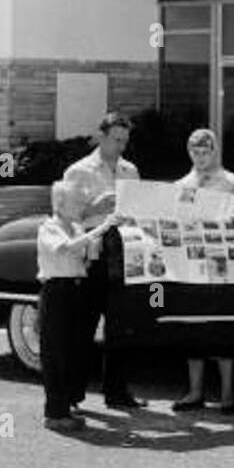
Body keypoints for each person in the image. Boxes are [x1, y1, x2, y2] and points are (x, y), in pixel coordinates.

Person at [63, 111, 145, 410]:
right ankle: (71, 395)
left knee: (120, 327)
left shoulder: (130, 171)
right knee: (83, 328)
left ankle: (117, 392)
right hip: (91, 253)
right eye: (115, 140)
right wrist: (94, 206)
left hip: (122, 251)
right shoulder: (79, 171)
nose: (120, 146)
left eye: (125, 141)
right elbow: (66, 219)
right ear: (101, 136)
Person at [37, 181, 124, 433]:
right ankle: (54, 413)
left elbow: (86, 257)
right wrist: (100, 229)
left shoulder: (75, 227)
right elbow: (65, 248)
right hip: (56, 291)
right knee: (55, 353)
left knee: (71, 351)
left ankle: (65, 407)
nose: (80, 206)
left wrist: (101, 238)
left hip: (75, 288)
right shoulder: (50, 227)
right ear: (60, 203)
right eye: (76, 201)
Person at [171, 128, 234, 415]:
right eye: (195, 152)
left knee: (222, 327)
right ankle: (195, 391)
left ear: (214, 152)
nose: (200, 157)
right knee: (193, 327)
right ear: (189, 152)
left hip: (222, 263)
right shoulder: (182, 184)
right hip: (192, 263)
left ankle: (227, 394)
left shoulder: (230, 181)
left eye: (206, 152)